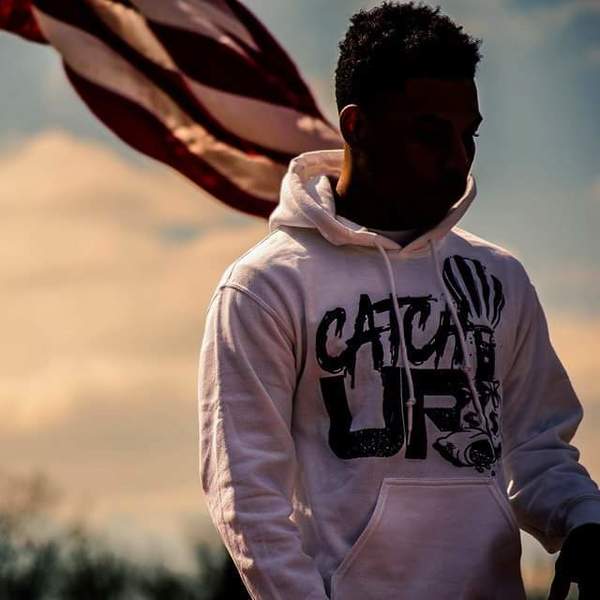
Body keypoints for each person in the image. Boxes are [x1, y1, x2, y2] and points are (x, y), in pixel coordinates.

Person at [197, 2, 600, 598]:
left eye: (469, 135)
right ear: (357, 126)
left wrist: (584, 520)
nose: (458, 158)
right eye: (430, 133)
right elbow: (247, 500)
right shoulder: (264, 288)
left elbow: (537, 450)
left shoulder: (499, 278)